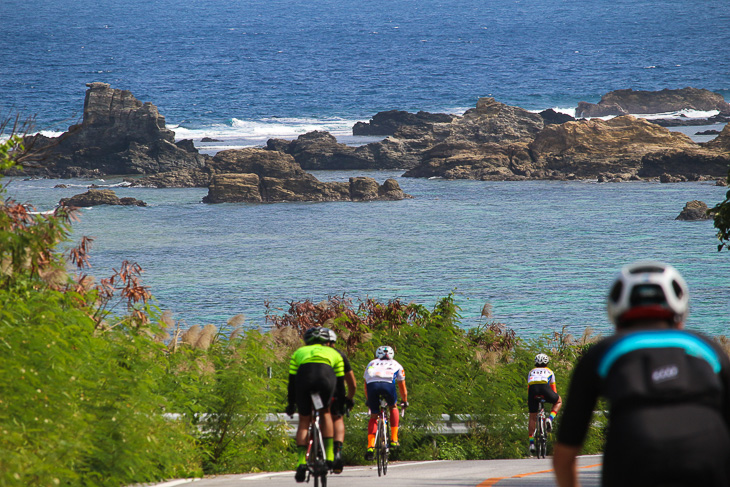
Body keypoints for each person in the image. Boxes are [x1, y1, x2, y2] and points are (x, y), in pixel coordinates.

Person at [553, 261, 730, 487]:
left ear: (616, 314)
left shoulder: (604, 353)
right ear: (681, 312)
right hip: (709, 458)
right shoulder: (708, 350)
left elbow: (564, 459)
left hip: (634, 461)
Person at [286, 326, 345, 483]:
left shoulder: (298, 353)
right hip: (325, 381)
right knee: (325, 412)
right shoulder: (334, 353)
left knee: (304, 420)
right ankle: (330, 456)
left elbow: (291, 382)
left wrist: (291, 403)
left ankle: (301, 462)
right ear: (326, 341)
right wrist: (340, 402)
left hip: (304, 382)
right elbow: (340, 382)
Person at [363, 345, 408, 460]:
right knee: (393, 407)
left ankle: (370, 447)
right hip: (388, 385)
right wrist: (404, 400)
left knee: (374, 416)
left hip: (372, 386)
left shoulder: (371, 363)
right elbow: (402, 386)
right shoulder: (396, 364)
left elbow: (366, 384)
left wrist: (369, 400)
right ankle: (394, 439)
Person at [324, 328, 356, 474]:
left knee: (310, 417)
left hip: (312, 392)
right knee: (337, 419)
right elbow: (352, 384)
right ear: (332, 342)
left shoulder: (308, 353)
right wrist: (349, 399)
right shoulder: (339, 355)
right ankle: (337, 453)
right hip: (335, 392)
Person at [527, 352, 562, 455]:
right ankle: (549, 419)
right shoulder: (549, 371)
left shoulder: (531, 371)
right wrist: (551, 397)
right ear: (547, 363)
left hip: (533, 390)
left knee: (532, 416)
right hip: (545, 388)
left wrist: (530, 400)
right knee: (558, 401)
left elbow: (529, 387)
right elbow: (554, 390)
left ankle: (532, 443)